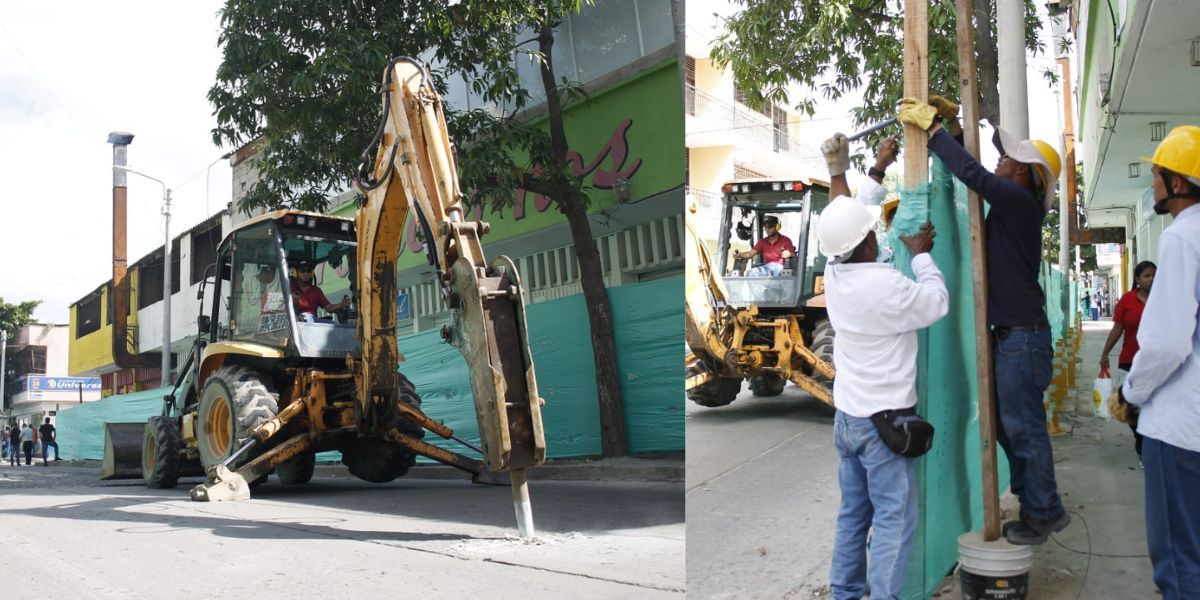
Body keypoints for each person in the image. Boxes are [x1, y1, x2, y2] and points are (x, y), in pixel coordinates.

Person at [898, 95, 1070, 545]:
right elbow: (976, 171)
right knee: (1010, 430)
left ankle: (1045, 511)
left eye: (1007, 157)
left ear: (1023, 173)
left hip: (1022, 341)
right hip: (1014, 339)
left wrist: (935, 133)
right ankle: (1036, 505)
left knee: (1024, 430)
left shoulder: (1018, 200)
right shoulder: (1017, 202)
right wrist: (953, 129)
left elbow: (971, 175)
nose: (999, 159)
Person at [817, 134, 949, 600]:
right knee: (894, 519)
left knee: (853, 515)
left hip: (848, 420)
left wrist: (868, 169)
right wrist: (923, 255)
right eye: (873, 231)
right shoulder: (888, 286)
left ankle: (845, 594)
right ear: (870, 241)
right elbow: (936, 303)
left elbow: (844, 219)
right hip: (884, 426)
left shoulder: (835, 274)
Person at [1118, 125, 1200, 599]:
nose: (1152, 182)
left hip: (1179, 428)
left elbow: (1168, 343)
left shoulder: (1181, 239)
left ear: (1180, 183)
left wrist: (1131, 394)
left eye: (1158, 174)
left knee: (1179, 561)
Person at [1099, 261, 1156, 458]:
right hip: (1129, 360)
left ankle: (1147, 444)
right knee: (1129, 406)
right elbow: (1117, 328)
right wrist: (1105, 353)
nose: (1151, 279)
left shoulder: (1163, 299)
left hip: (1156, 361)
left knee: (1151, 404)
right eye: (1147, 276)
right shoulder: (1127, 300)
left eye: (1153, 275)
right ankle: (1140, 438)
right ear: (1138, 279)